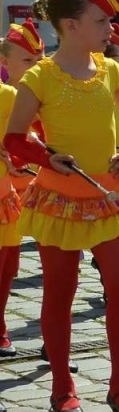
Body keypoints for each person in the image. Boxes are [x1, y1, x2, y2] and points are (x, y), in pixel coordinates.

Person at [4, 0, 119, 412]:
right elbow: (15, 138)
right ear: (71, 26)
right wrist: (48, 158)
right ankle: (62, 386)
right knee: (59, 291)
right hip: (60, 201)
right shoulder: (40, 78)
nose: (111, 30)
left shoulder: (112, 70)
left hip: (110, 197)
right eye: (102, 21)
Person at [0, 20, 43, 362]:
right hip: (7, 187)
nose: (36, 66)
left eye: (39, 59)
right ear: (5, 63)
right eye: (27, 60)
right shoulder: (9, 95)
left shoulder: (32, 96)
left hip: (25, 188)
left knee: (10, 264)